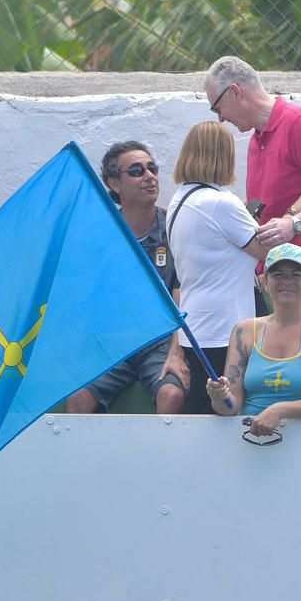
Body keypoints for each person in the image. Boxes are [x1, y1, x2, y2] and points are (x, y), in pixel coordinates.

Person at [203, 56, 301, 322]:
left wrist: (293, 224)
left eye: (217, 108)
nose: (221, 119)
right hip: (279, 272)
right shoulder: (256, 140)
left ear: (236, 91)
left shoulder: (299, 123)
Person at [65, 141, 188, 414]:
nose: (149, 176)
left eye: (152, 168)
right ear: (114, 184)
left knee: (172, 395)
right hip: (113, 341)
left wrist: (176, 352)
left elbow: (184, 293)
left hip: (160, 340)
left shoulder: (175, 228)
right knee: (77, 399)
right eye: (136, 171)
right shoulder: (101, 236)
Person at [167, 121, 269, 414]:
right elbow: (267, 250)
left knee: (203, 408)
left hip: (198, 323)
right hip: (226, 327)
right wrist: (295, 213)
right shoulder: (220, 202)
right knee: (218, 414)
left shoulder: (181, 199)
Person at [206, 243, 301, 434]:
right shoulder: (244, 330)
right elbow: (230, 406)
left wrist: (279, 411)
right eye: (278, 274)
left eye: (296, 275)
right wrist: (219, 396)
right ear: (265, 282)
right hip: (251, 440)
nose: (287, 281)